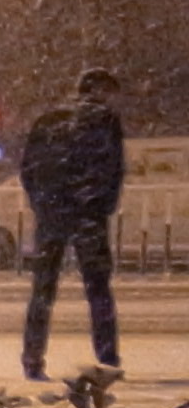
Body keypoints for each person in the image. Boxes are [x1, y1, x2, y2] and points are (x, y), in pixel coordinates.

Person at [19, 65, 127, 380]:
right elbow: (113, 169)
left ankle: (33, 358)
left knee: (42, 290)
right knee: (98, 290)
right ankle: (107, 358)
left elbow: (28, 168)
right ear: (101, 91)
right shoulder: (105, 121)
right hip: (87, 216)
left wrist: (43, 204)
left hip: (51, 214)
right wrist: (99, 206)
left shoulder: (49, 119)